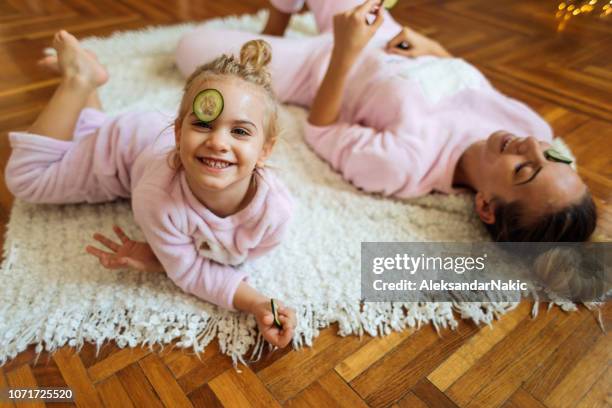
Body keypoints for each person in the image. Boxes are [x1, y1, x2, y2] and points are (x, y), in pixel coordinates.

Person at [174, 0, 597, 245]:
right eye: (552, 154)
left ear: (485, 205)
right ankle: (275, 26)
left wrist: (345, 48)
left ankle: (276, 44)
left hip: (320, 64)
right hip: (382, 32)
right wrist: (433, 48)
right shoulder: (533, 127)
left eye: (525, 169)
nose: (530, 145)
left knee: (190, 50)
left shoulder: (406, 165)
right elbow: (466, 74)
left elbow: (320, 129)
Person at [5, 30, 297, 348]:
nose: (217, 142)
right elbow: (191, 272)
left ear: (265, 151)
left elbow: (206, 264)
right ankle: (77, 80)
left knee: (88, 131)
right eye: (202, 124)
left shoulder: (276, 212)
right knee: (27, 179)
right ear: (178, 131)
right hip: (121, 145)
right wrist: (251, 300)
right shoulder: (159, 196)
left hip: (145, 138)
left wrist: (258, 304)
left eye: (240, 131)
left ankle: (89, 79)